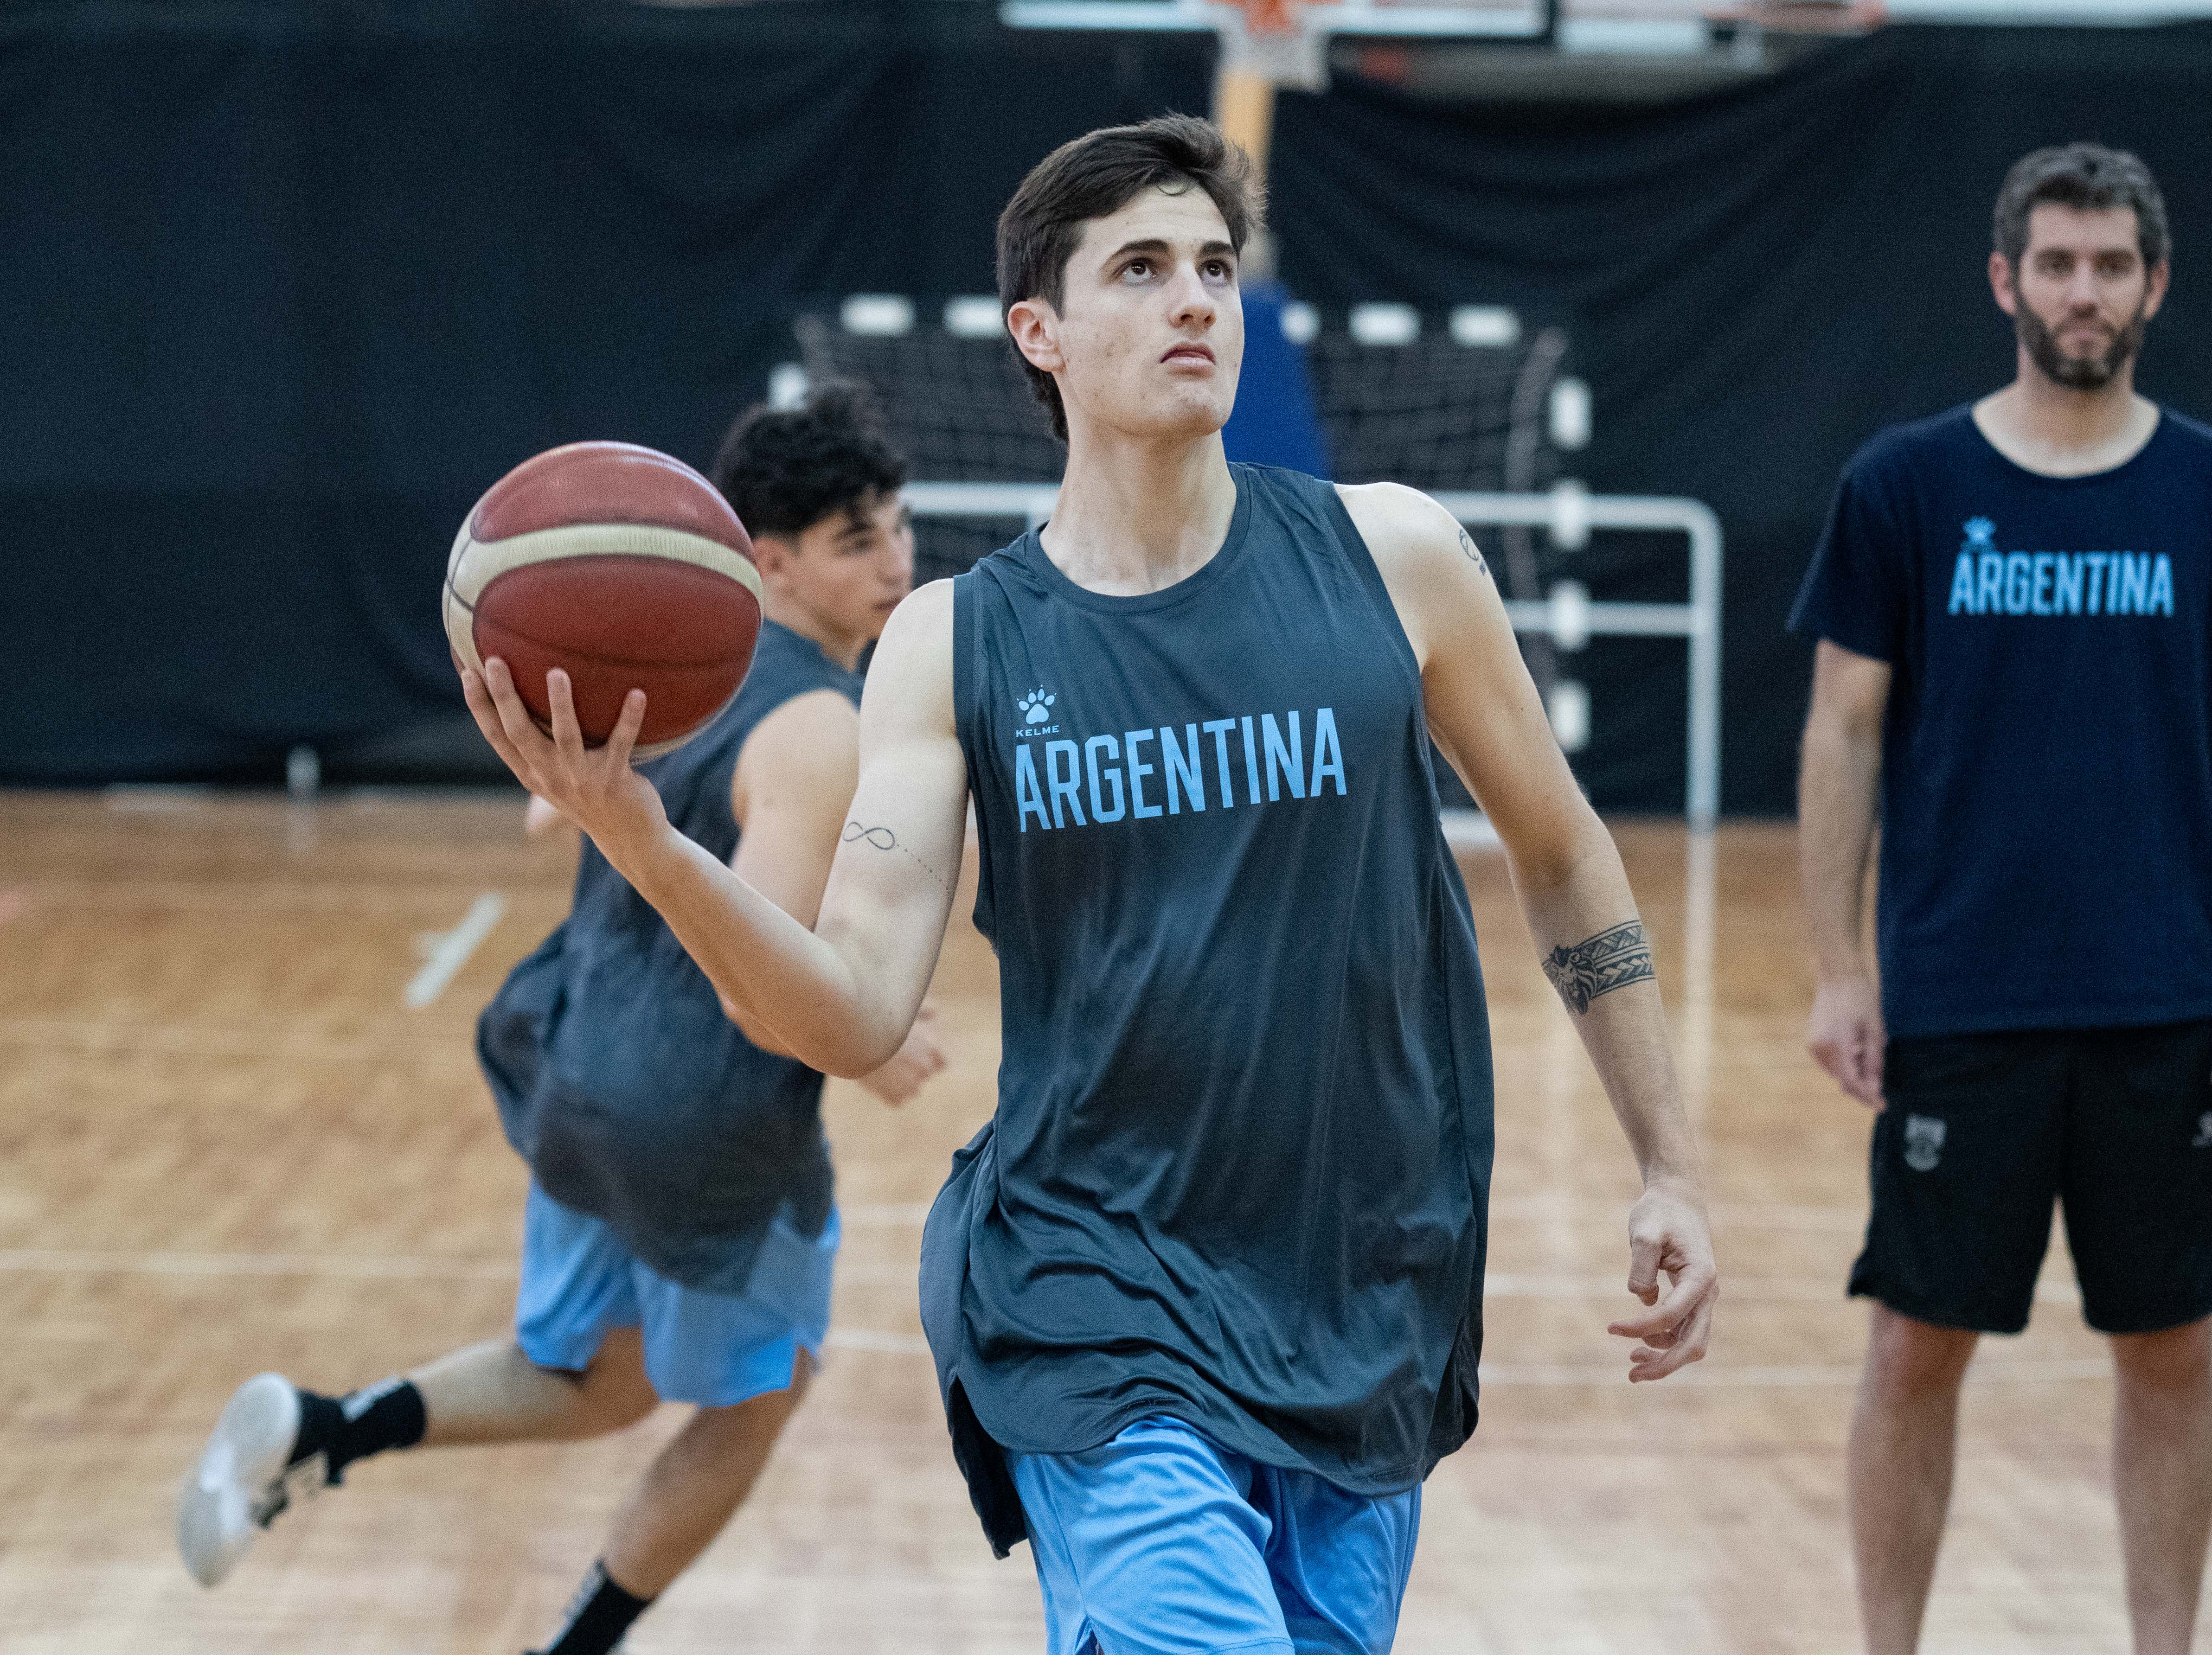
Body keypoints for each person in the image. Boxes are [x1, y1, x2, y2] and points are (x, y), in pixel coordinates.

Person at [456, 115, 1719, 1655]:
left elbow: (1562, 848)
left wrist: (1666, 1157)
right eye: (1141, 269)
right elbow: (852, 1011)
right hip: (1089, 1276)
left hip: (1362, 1271)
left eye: (1212, 266)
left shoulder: (1397, 558)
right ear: (1039, 333)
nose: (1197, 300)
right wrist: (645, 840)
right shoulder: (952, 640)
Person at [177, 385, 945, 1655]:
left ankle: (327, 1428)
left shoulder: (665, 686)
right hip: (701, 1118)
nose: (898, 558)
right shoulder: (816, 725)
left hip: (579, 1069)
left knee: (598, 1378)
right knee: (762, 1393)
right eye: (857, 538)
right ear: (766, 560)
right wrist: (859, 1033)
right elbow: (763, 1011)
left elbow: (554, 812)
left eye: (897, 526)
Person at [1790, 144, 2212, 1655]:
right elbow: (1838, 728)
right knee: (1911, 1344)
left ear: (2152, 284)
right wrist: (1840, 967)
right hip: (1960, 996)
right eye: (2055, 262)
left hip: (2164, 1001)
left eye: (2108, 265)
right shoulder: (1905, 485)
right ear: (2003, 281)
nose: (2080, 291)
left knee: (2169, 1345)